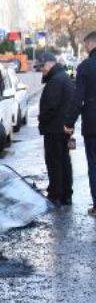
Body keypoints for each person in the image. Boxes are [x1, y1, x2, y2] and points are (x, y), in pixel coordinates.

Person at [39, 53, 76, 207]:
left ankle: (56, 195)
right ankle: (66, 194)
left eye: (42, 67)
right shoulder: (64, 77)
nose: (42, 71)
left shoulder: (56, 80)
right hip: (63, 128)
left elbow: (50, 107)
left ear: (49, 64)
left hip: (54, 129)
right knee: (64, 161)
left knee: (55, 162)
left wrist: (42, 121)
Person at [66, 31, 96, 214]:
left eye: (85, 45)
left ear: (91, 43)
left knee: (94, 164)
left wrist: (69, 122)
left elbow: (78, 99)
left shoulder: (85, 67)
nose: (84, 48)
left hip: (93, 125)